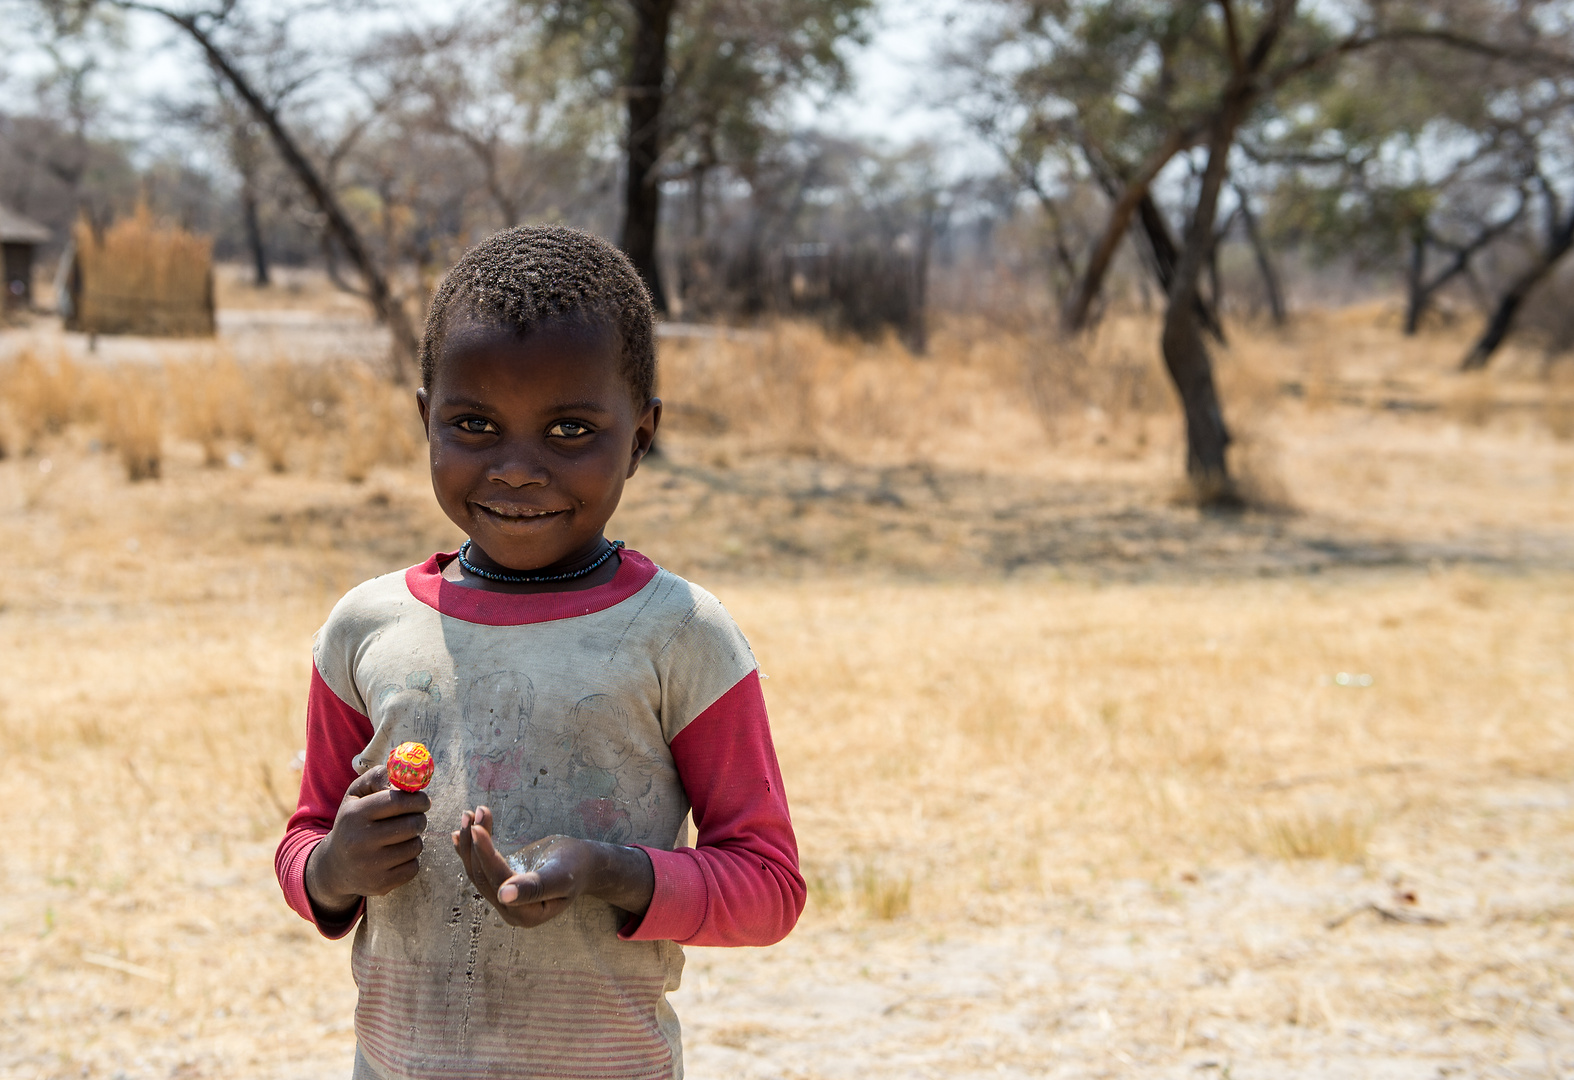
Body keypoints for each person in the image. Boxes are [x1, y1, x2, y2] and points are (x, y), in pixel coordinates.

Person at [274, 225, 804, 1080]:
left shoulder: (681, 636)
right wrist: (337, 865)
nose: (517, 469)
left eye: (569, 429)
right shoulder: (365, 628)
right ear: (425, 421)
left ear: (641, 435)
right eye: (474, 424)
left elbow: (769, 888)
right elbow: (305, 843)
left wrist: (610, 873)